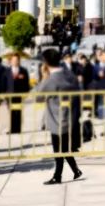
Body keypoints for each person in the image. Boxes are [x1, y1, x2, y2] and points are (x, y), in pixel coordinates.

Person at [33, 48, 83, 185]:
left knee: (58, 149)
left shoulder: (51, 80)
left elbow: (38, 97)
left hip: (56, 118)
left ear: (45, 63)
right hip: (70, 116)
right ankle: (75, 170)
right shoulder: (70, 75)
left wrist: (44, 76)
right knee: (64, 148)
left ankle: (58, 176)